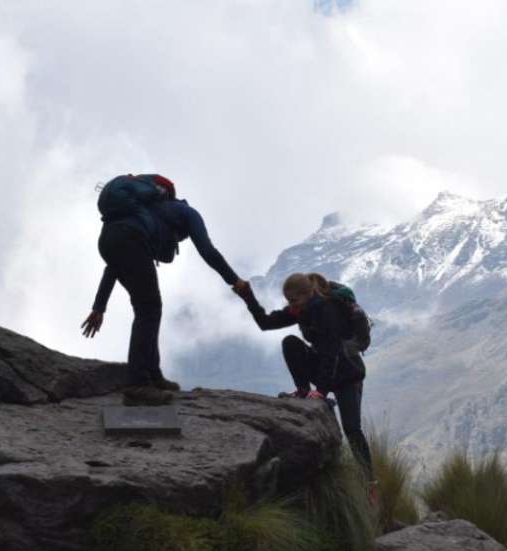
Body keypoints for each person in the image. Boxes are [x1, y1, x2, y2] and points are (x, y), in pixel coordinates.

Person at [81, 174, 250, 406]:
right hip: (132, 241)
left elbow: (114, 266)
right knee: (149, 309)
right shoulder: (188, 213)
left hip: (108, 239)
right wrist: (235, 281)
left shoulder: (142, 214)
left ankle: (153, 375)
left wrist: (99, 307)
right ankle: (138, 385)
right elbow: (208, 251)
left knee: (147, 307)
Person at [233, 272, 374, 481]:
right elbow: (266, 323)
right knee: (290, 343)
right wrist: (248, 298)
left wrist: (322, 392)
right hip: (325, 370)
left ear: (308, 293)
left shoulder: (328, 310)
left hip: (348, 374)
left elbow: (331, 352)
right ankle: (302, 389)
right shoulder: (302, 310)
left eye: (294, 300)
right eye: (288, 301)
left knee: (352, 429)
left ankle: (369, 481)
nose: (291, 305)